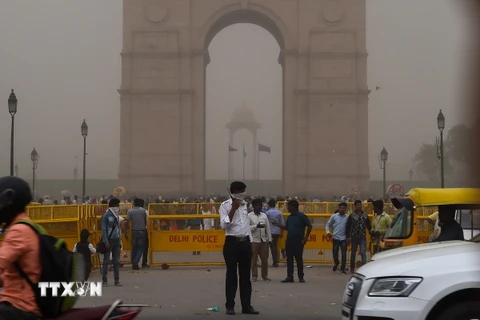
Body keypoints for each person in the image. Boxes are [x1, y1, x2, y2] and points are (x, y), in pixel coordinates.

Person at [0, 176, 41, 319]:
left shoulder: (19, 230)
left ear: (9, 200)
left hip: (21, 306)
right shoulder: (26, 225)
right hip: (17, 302)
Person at [219, 181, 259, 315]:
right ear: (234, 191)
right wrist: (233, 209)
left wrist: (251, 243)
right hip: (231, 243)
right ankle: (230, 306)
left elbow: (246, 226)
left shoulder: (244, 205)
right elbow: (224, 226)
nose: (244, 194)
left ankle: (246, 306)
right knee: (231, 275)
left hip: (244, 243)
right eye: (242, 191)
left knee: (245, 276)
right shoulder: (225, 206)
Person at [273, 199, 312, 283]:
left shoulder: (301, 216)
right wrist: (278, 225)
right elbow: (286, 228)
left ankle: (301, 276)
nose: (287, 208)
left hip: (298, 241)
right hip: (289, 240)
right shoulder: (289, 217)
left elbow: (309, 226)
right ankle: (289, 276)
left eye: (289, 206)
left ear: (293, 207)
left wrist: (305, 238)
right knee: (289, 259)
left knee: (298, 259)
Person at [101, 197, 126, 286]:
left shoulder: (116, 216)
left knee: (116, 262)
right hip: (109, 241)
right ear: (114, 205)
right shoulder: (106, 216)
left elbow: (118, 229)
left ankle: (117, 280)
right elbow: (104, 230)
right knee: (106, 261)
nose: (118, 207)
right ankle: (104, 281)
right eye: (118, 205)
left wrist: (119, 241)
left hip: (116, 241)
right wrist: (106, 242)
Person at [248, 198, 272, 282]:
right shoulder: (249, 216)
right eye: (257, 205)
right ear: (253, 206)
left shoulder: (264, 215)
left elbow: (267, 228)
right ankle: (254, 276)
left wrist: (270, 238)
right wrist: (255, 227)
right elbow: (247, 228)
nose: (259, 207)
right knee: (253, 260)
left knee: (264, 259)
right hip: (254, 241)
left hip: (263, 240)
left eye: (260, 206)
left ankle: (264, 275)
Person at [346, 200, 371, 274]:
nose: (359, 206)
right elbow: (348, 227)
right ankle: (352, 268)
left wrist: (371, 233)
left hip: (362, 236)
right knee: (353, 253)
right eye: (357, 205)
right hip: (354, 237)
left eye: (360, 205)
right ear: (355, 206)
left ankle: (364, 269)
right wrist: (348, 237)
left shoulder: (365, 215)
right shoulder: (352, 215)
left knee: (363, 252)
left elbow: (368, 226)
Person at [326, 202, 349, 274]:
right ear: (338, 208)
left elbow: (349, 228)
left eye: (343, 208)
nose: (342, 209)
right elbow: (328, 225)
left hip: (343, 238)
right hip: (335, 237)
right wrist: (328, 232)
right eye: (341, 208)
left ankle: (343, 268)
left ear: (345, 209)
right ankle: (336, 262)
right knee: (335, 253)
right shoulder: (334, 216)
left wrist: (349, 238)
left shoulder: (347, 217)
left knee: (344, 253)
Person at [125, 198, 148, 270]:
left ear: (134, 203)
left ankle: (133, 262)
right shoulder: (143, 211)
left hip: (134, 231)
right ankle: (136, 261)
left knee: (134, 247)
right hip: (142, 230)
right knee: (141, 247)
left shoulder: (130, 211)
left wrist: (127, 230)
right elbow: (145, 221)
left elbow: (127, 221)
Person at [265, 199, 284, 267]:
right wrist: (281, 232)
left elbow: (265, 223)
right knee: (275, 246)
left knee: (272, 247)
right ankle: (276, 260)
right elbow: (282, 223)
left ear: (269, 205)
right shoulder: (279, 213)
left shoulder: (267, 213)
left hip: (270, 231)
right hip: (277, 231)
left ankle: (275, 261)